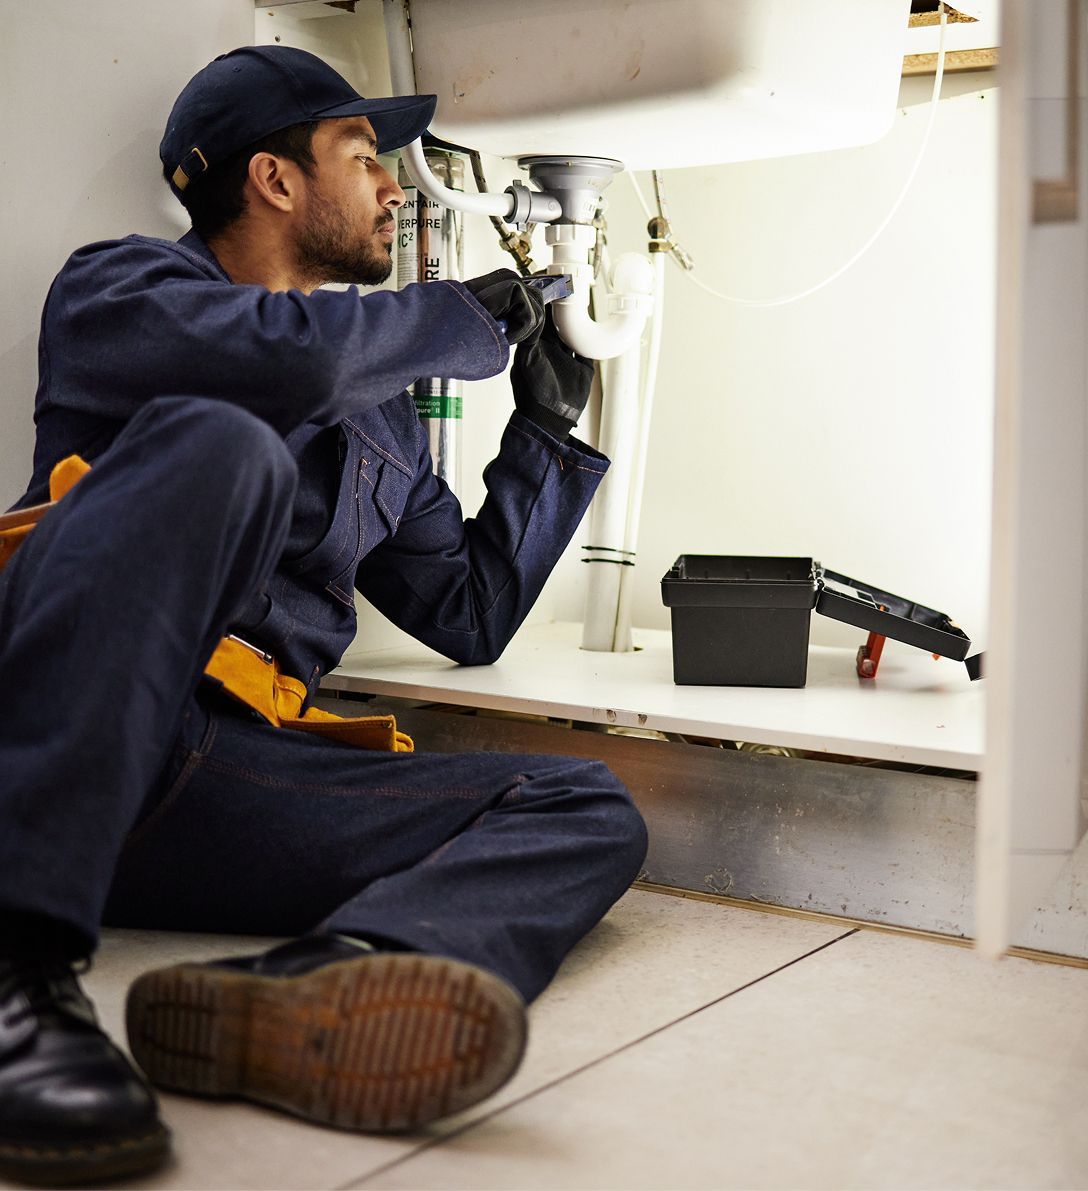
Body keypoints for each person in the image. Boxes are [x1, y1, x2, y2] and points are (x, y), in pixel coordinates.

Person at [0, 44, 647, 1186]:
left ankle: (320, 982)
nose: (394, 187)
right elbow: (280, 370)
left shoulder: (386, 419)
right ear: (275, 180)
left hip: (215, 779)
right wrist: (453, 319)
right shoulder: (119, 291)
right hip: (48, 738)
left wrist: (544, 433)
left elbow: (469, 612)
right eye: (363, 156)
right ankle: (16, 968)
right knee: (224, 443)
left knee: (580, 803)